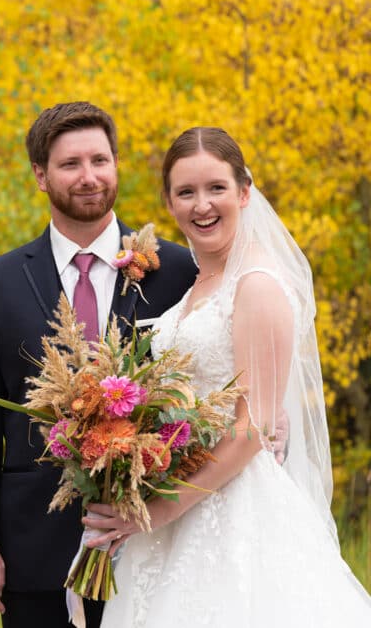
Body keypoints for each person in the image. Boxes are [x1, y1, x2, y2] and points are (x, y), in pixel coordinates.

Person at [83, 126, 371, 626]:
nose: (202, 205)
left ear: (244, 191)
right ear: (169, 205)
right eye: (186, 192)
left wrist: (164, 509)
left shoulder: (256, 284)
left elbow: (253, 426)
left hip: (235, 513)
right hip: (174, 506)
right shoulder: (198, 284)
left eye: (216, 188)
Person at [0, 102, 197, 627]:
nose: (89, 177)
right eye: (70, 165)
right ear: (40, 175)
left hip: (157, 542)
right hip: (35, 546)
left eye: (100, 160)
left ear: (116, 164)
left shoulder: (178, 270)